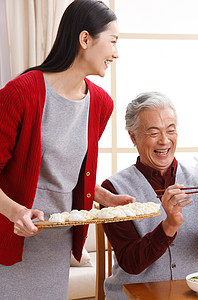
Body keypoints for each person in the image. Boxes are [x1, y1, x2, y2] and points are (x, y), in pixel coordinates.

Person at [0, 1, 134, 298]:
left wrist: (105, 198)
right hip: (12, 238)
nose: (116, 52)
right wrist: (15, 212)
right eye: (112, 41)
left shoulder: (101, 103)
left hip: (57, 242)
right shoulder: (20, 93)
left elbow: (67, 171)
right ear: (85, 39)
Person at [101, 92, 198, 299]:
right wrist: (169, 226)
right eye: (153, 132)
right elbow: (131, 263)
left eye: (171, 130)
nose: (164, 140)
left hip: (187, 295)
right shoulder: (113, 190)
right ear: (133, 136)